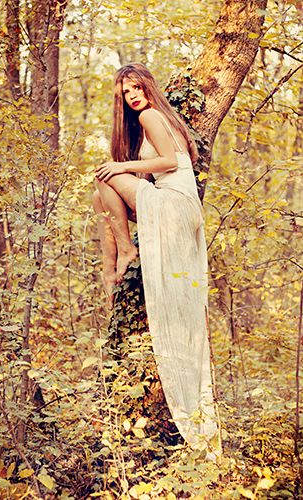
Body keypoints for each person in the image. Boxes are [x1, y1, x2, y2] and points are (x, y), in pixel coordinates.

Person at [93, 63, 218, 446]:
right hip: (181, 208)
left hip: (173, 205)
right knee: (100, 196)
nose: (131, 95)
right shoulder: (167, 118)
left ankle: (119, 259)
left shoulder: (151, 115)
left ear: (147, 85)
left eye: (135, 86)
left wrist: (124, 165)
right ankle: (113, 266)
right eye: (125, 92)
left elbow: (172, 163)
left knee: (105, 177)